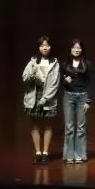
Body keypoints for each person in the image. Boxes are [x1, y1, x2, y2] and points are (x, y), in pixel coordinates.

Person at [22, 35, 60, 164]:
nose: (45, 48)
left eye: (47, 45)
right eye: (42, 45)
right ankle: (38, 152)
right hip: (33, 97)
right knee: (35, 126)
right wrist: (31, 73)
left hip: (48, 99)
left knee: (48, 126)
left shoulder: (54, 63)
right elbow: (25, 79)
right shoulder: (32, 61)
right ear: (38, 47)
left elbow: (55, 84)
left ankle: (45, 153)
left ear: (50, 47)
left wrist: (44, 99)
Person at [60, 39, 92, 164]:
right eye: (74, 48)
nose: (76, 50)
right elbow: (60, 83)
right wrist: (65, 81)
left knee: (81, 127)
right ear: (71, 49)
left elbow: (90, 83)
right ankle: (69, 155)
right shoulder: (65, 65)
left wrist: (88, 101)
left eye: (78, 48)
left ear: (82, 49)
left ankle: (79, 155)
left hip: (82, 97)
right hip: (68, 96)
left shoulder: (87, 64)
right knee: (69, 127)